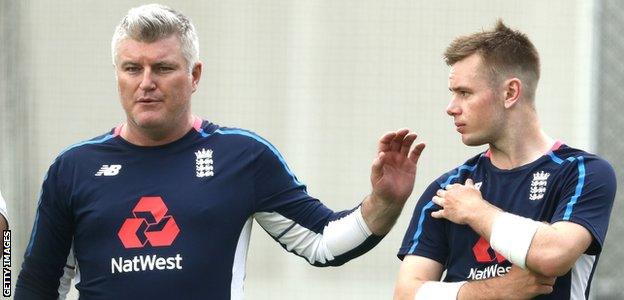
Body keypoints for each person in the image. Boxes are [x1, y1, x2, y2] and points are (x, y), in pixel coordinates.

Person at [15, 4, 426, 299]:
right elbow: (38, 286)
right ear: (117, 75)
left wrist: (384, 202)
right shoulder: (73, 168)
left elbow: (322, 243)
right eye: (131, 68)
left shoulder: (243, 157)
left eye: (163, 68)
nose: (146, 82)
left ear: (194, 75)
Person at [394, 20, 616, 300]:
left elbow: (553, 254)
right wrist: (497, 291)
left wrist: (475, 210)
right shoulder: (447, 190)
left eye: (464, 93)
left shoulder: (582, 172)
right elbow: (406, 294)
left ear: (510, 93)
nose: (451, 108)